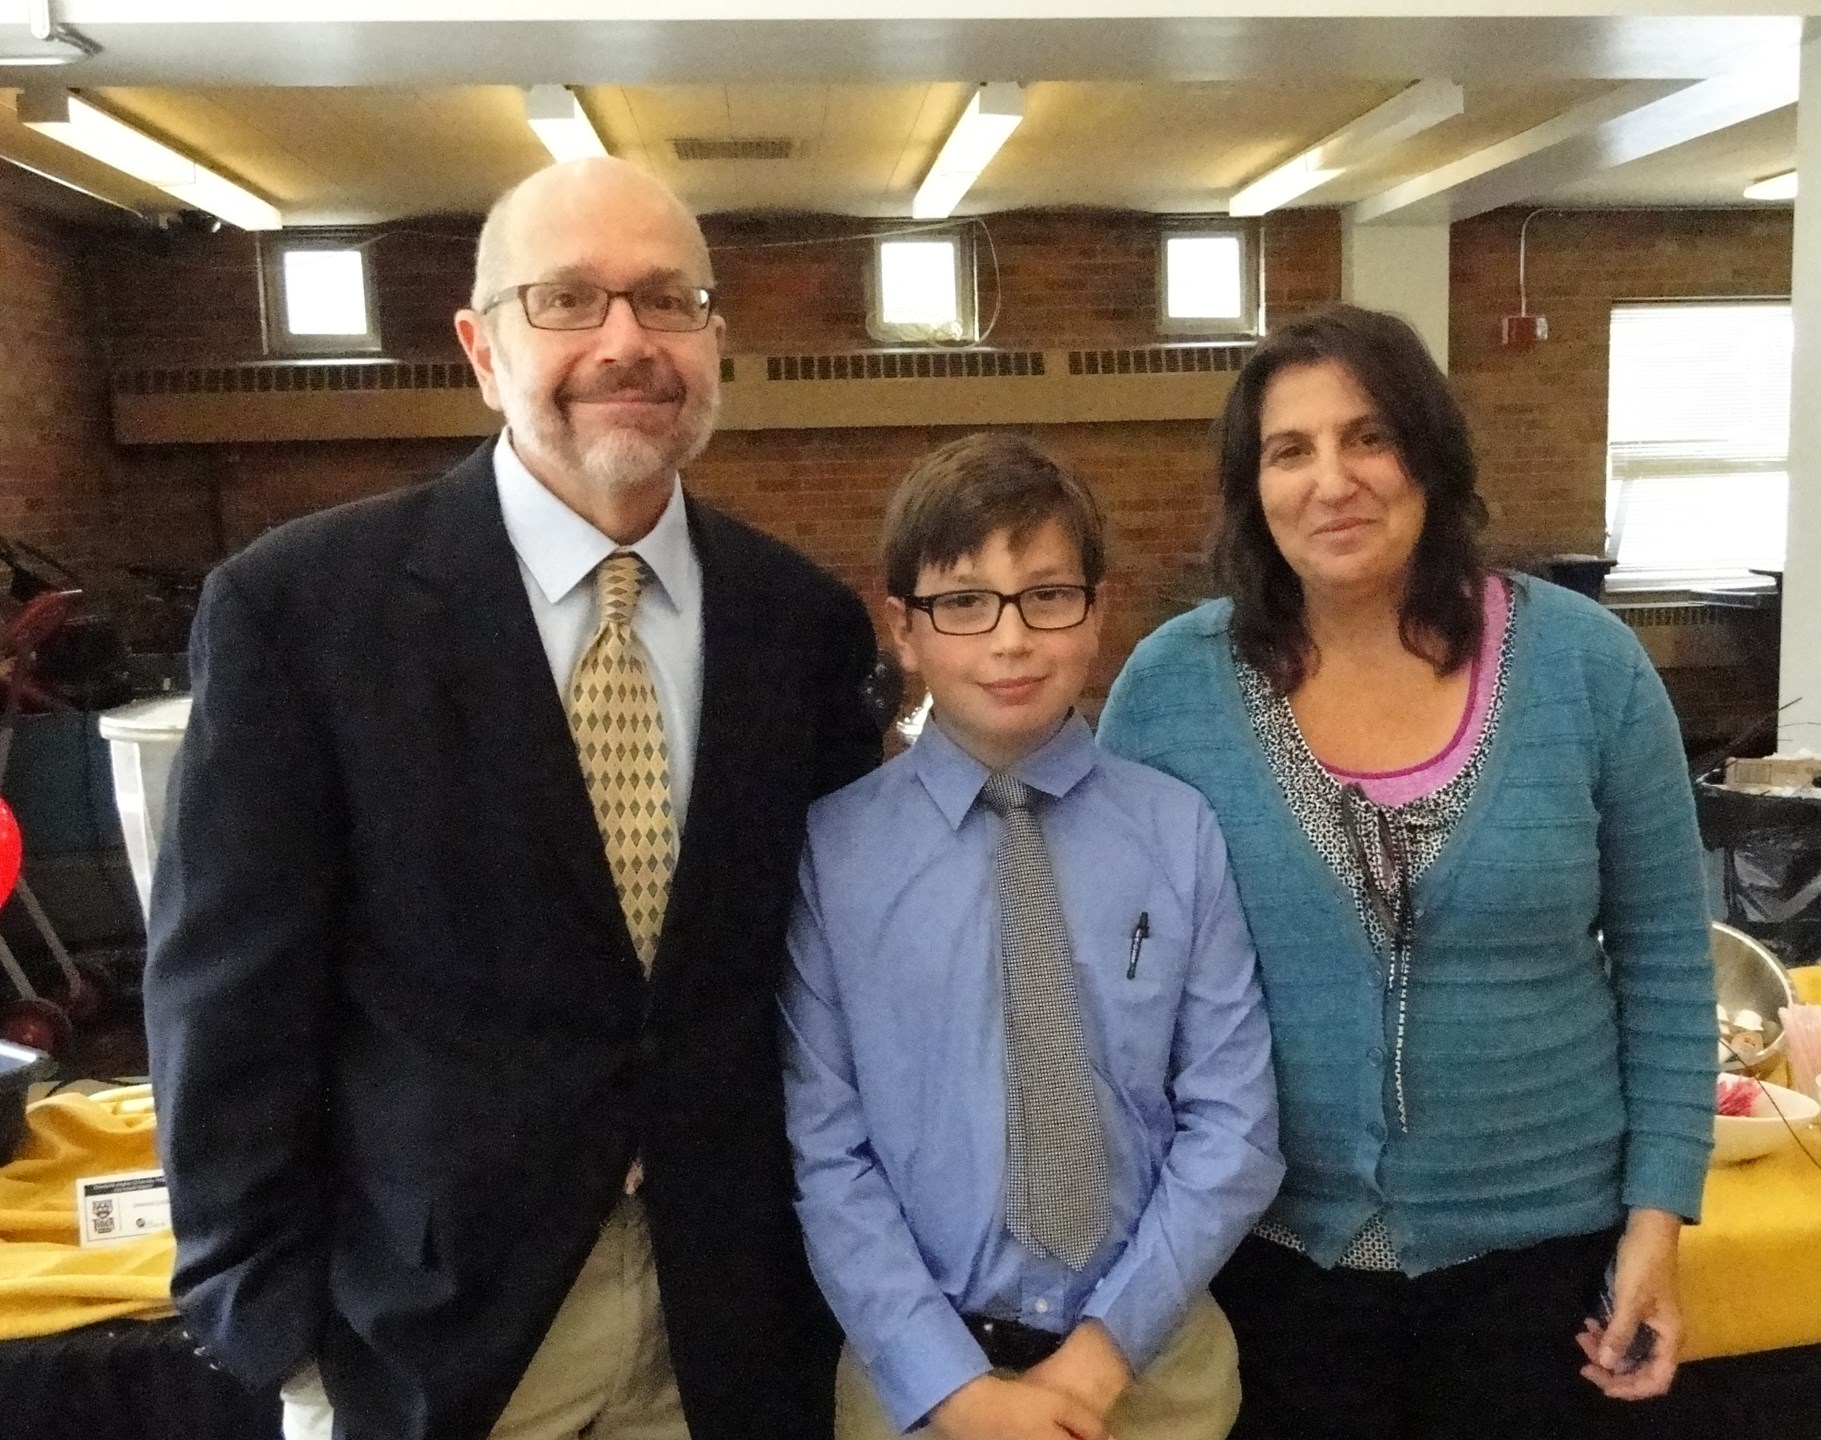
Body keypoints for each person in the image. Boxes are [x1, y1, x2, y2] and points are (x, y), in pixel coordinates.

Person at [143, 157, 882, 1440]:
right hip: (430, 1333)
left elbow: (826, 975)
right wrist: (274, 1328)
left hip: (737, 1321)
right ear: (482, 349)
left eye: (668, 302)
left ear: (716, 343)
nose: (626, 342)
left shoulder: (800, 625)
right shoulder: (300, 613)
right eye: (569, 301)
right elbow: (226, 1000)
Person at [1097, 305, 1717, 1440]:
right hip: (1270, 1259)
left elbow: (1670, 962)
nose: (1331, 480)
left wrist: (1657, 1222)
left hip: (1544, 1260)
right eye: (1291, 450)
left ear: (1429, 453)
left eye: (1367, 437)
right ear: (1253, 487)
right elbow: (1121, 979)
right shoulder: (1171, 690)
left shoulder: (1586, 668)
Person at [780, 433, 1285, 1440]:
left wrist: (1098, 1362)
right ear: (905, 629)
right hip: (917, 1385)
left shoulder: (1176, 832)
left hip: (1151, 1374)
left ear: (1097, 608)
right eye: (963, 603)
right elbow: (826, 1153)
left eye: (1047, 595)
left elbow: (1235, 1126)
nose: (1010, 640)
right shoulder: (832, 851)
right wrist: (953, 1389)